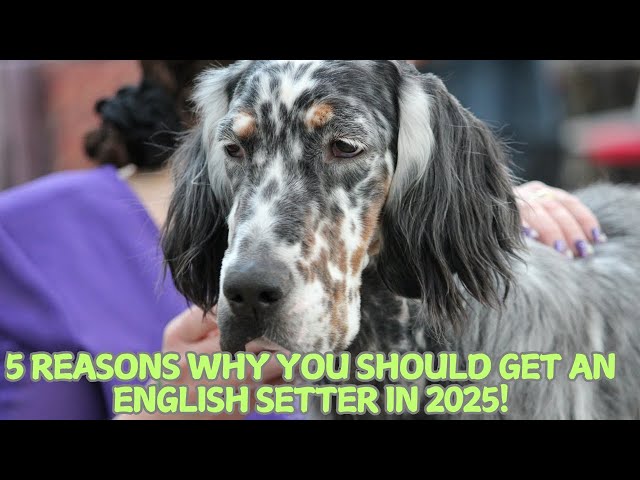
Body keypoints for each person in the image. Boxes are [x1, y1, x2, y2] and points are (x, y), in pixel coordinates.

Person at [0, 60, 604, 420]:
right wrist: (168, 412)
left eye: (343, 146)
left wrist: (478, 210)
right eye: (239, 151)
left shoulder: (430, 210)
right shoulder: (29, 236)